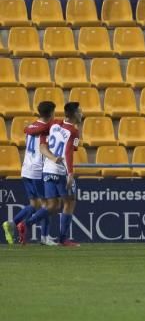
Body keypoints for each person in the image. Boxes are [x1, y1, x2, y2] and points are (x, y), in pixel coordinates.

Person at [3, 101, 56, 245]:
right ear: (51, 112)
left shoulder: (31, 126)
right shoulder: (47, 129)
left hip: (26, 169)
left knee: (34, 204)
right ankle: (43, 237)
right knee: (47, 205)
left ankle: (11, 223)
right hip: (38, 171)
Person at [39, 102, 84, 247]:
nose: (81, 113)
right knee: (69, 202)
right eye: (79, 111)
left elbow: (43, 141)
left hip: (47, 168)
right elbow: (69, 152)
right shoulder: (74, 132)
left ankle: (25, 224)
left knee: (52, 205)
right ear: (74, 115)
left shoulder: (55, 124)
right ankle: (63, 239)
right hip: (61, 171)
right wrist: (70, 173)